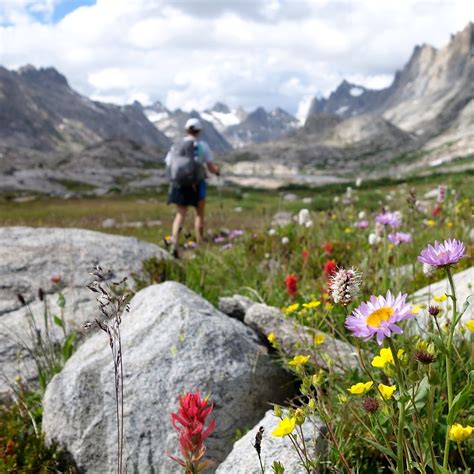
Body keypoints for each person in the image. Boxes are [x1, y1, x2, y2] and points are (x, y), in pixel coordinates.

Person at [165, 117, 220, 257]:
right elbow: (210, 166)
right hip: (197, 184)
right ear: (199, 131)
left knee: (180, 214)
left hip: (179, 184)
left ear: (186, 130)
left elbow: (168, 163)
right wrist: (217, 170)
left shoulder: (176, 145)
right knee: (199, 214)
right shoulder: (202, 146)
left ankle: (174, 243)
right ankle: (200, 243)